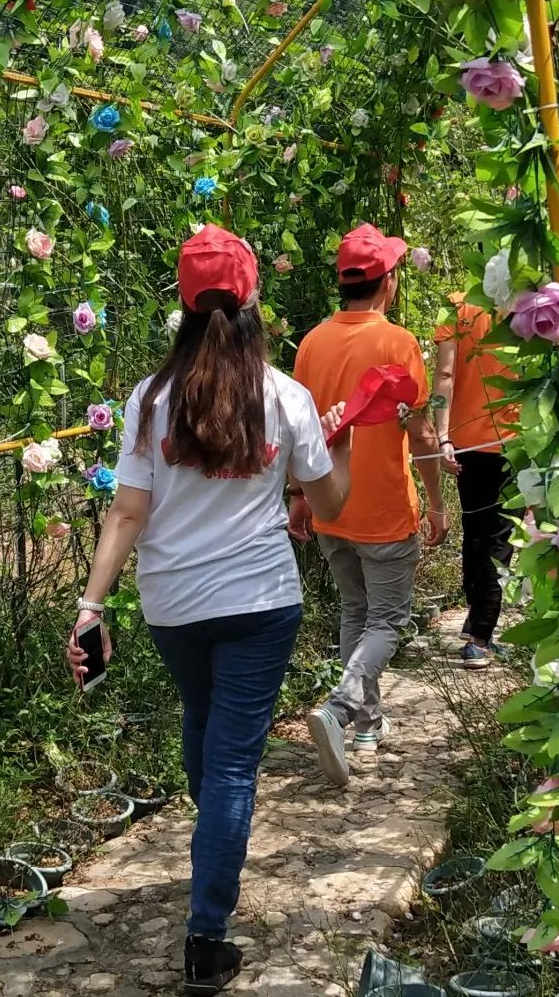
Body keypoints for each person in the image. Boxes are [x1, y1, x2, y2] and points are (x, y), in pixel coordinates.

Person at [67, 225, 351, 996]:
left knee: (204, 727)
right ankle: (207, 933)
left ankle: (212, 848)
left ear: (184, 305)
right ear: (254, 297)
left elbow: (127, 511)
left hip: (174, 604)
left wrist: (91, 604)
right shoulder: (285, 395)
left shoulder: (150, 399)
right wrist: (328, 456)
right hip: (260, 601)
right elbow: (329, 501)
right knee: (229, 760)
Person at [291, 222, 447, 787]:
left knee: (356, 614)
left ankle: (365, 723)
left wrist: (299, 500)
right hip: (383, 510)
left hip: (332, 508)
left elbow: (303, 432)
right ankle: (339, 708)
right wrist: (435, 502)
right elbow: (423, 435)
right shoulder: (398, 343)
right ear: (388, 281)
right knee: (387, 621)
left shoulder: (311, 343)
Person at [432, 290, 519, 668]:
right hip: (511, 440)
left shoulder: (456, 306)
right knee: (497, 537)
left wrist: (443, 435)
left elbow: (445, 374)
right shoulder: (527, 300)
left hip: (466, 440)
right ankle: (480, 636)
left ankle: (475, 624)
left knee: (476, 530)